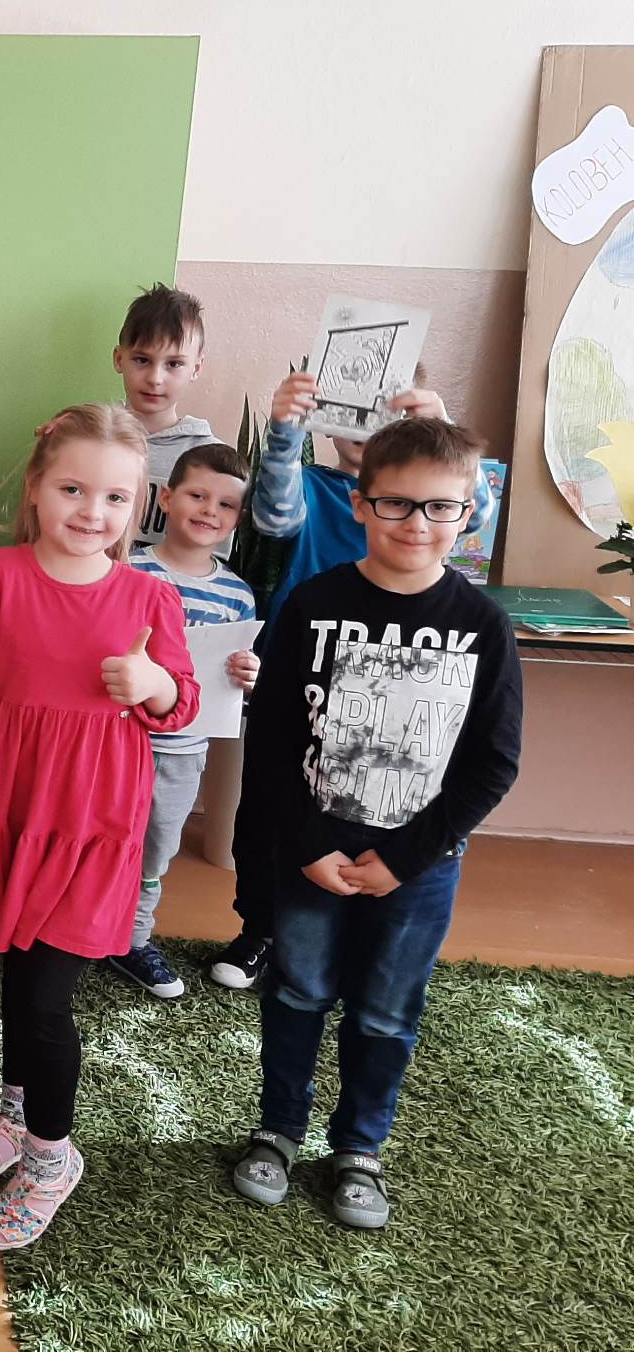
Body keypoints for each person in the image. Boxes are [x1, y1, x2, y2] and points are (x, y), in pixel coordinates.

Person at [0, 403, 198, 1250]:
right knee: (16, 975)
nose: (92, 512)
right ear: (34, 487)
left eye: (115, 498)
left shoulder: (149, 596)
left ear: (138, 506)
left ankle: (50, 1157)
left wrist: (152, 684)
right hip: (12, 813)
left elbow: (181, 701)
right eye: (73, 489)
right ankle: (17, 1116)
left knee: (43, 1002)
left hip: (93, 827)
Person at [229, 417, 520, 1232]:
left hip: (417, 869)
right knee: (298, 992)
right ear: (360, 504)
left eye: (440, 507)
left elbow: (494, 763)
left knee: (388, 1011)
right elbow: (273, 736)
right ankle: (278, 1129)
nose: (417, 524)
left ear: (468, 513)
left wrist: (405, 859)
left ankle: (359, 1147)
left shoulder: (483, 625)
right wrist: (310, 843)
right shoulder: (313, 604)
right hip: (312, 856)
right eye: (396, 504)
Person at [210, 368, 491, 991]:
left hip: (400, 680)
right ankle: (260, 930)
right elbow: (274, 513)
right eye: (352, 407)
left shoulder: (428, 504)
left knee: (376, 808)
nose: (366, 426)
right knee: (267, 810)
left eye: (386, 410)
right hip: (303, 675)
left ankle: (360, 937)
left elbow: (474, 517)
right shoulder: (310, 484)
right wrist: (285, 430)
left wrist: (440, 428)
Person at [114, 443, 260, 998]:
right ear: (166, 498)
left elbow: (237, 667)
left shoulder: (237, 593)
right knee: (102, 836)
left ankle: (133, 938)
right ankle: (76, 931)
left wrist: (249, 671)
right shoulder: (127, 569)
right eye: (197, 495)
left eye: (226, 504)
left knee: (156, 848)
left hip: (183, 748)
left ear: (239, 519)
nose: (209, 511)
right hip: (116, 740)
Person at [111, 284, 220, 552]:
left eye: (173, 364)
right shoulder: (89, 436)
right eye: (142, 360)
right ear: (119, 359)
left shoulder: (210, 457)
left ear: (196, 368)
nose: (155, 378)